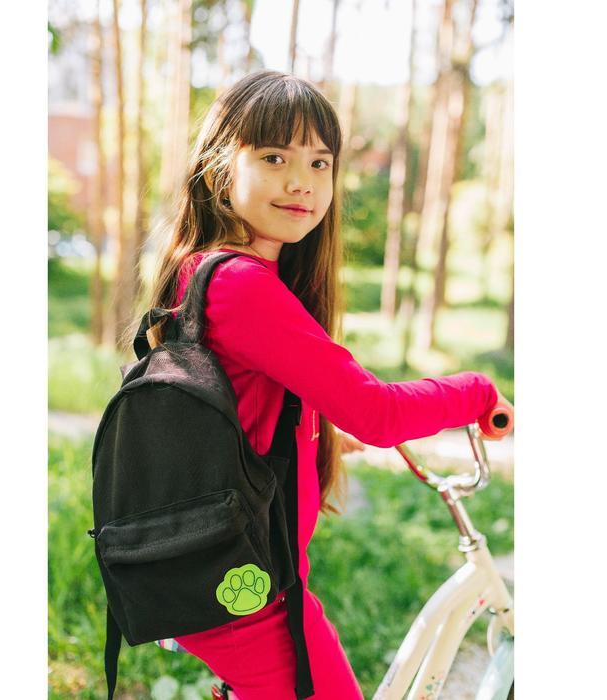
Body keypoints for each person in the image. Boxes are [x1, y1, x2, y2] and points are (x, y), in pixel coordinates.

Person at [133, 70, 506, 700]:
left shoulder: (203, 269)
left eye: (319, 162)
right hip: (245, 589)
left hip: (225, 565)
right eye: (274, 158)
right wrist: (477, 393)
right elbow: (377, 413)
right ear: (222, 168)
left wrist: (317, 426)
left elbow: (238, 400)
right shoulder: (242, 285)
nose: (301, 181)